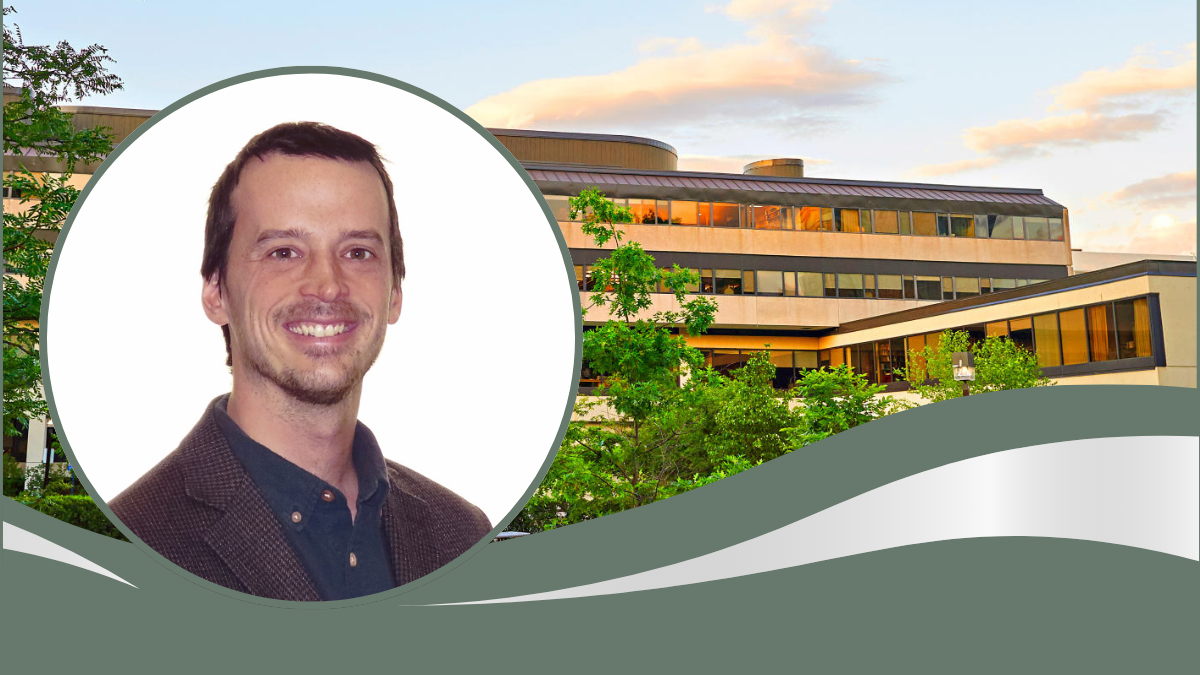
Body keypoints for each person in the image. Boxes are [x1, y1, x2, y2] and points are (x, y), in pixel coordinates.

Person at [110, 122, 491, 601]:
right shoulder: (129, 543)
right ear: (216, 293)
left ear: (394, 294)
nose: (328, 285)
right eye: (283, 252)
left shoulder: (461, 534)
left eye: (358, 252)